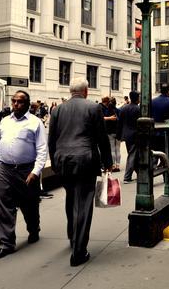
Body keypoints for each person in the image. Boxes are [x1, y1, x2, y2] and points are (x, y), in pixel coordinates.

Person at [48, 78, 112, 267]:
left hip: (63, 160)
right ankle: (79, 251)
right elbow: (102, 138)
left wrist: (54, 162)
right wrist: (107, 162)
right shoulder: (93, 108)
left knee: (71, 198)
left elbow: (52, 139)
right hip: (85, 159)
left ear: (71, 91)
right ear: (86, 91)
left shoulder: (57, 110)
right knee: (83, 203)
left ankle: (72, 236)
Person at [0, 91, 47, 260]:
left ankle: (33, 229)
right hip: (4, 168)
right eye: (14, 101)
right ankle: (6, 244)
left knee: (29, 204)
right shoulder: (5, 121)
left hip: (26, 170)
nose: (16, 104)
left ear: (27, 104)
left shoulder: (35, 123)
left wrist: (35, 172)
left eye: (20, 102)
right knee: (3, 206)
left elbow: (42, 149)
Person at [117, 91, 140, 183]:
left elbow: (120, 123)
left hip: (127, 135)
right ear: (137, 98)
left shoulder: (124, 108)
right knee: (132, 155)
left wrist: (119, 135)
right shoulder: (138, 109)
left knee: (133, 154)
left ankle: (139, 173)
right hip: (135, 134)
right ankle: (127, 176)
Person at [100, 96, 120, 172]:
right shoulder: (118, 110)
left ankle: (113, 165)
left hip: (110, 132)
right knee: (118, 149)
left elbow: (103, 119)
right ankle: (118, 165)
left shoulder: (107, 112)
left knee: (112, 149)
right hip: (118, 132)